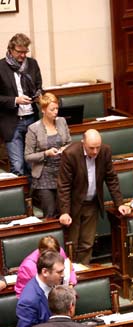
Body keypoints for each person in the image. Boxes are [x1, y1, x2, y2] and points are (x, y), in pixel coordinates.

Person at [57, 129, 131, 264]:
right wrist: (65, 212)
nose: (95, 151)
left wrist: (119, 203)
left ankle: (84, 271)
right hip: (73, 205)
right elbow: (64, 185)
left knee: (87, 242)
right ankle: (69, 276)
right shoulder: (70, 154)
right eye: (92, 148)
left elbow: (111, 178)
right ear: (83, 142)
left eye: (98, 147)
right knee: (71, 244)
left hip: (92, 203)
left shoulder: (105, 151)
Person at [0, 33, 42, 176]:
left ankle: (34, 197)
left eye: (25, 52)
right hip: (12, 122)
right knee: (18, 166)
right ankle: (20, 198)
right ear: (11, 49)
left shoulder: (32, 64)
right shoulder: (1, 67)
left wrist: (38, 95)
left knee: (33, 164)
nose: (23, 55)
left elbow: (39, 86)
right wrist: (15, 100)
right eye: (19, 52)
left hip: (32, 119)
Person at [24, 92, 71, 219]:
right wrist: (46, 153)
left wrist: (65, 148)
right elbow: (28, 156)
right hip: (44, 175)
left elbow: (69, 143)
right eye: (52, 109)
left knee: (65, 212)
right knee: (50, 213)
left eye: (57, 108)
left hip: (63, 173)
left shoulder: (62, 122)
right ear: (43, 110)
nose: (56, 112)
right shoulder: (33, 128)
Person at [16, 250, 64, 327]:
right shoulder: (29, 301)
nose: (63, 275)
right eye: (59, 272)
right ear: (45, 272)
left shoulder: (53, 284)